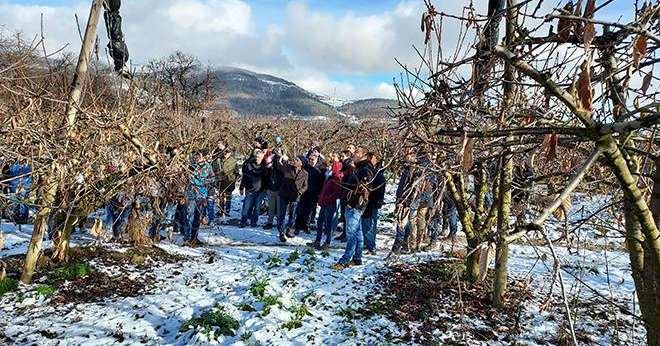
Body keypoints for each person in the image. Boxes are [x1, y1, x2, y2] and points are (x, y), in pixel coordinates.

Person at [334, 148, 373, 270]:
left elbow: (363, 191)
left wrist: (352, 204)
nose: (354, 154)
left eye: (356, 153)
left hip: (355, 206)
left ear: (363, 156)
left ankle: (345, 259)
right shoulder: (359, 168)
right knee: (358, 232)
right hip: (353, 205)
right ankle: (357, 257)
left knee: (351, 234)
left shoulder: (365, 170)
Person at [309, 156, 343, 249]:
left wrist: (327, 199)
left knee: (328, 223)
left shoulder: (336, 177)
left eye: (332, 163)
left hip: (330, 203)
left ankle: (327, 242)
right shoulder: (328, 176)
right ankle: (317, 240)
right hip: (324, 202)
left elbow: (336, 193)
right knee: (320, 222)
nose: (329, 165)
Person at [275, 155, 308, 242]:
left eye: (297, 160)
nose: (295, 161)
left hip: (295, 196)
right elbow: (279, 165)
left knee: (292, 214)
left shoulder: (305, 173)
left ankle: (289, 230)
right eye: (295, 159)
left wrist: (300, 192)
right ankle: (281, 232)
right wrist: (281, 157)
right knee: (281, 214)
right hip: (284, 194)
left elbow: (306, 186)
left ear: (301, 163)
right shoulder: (288, 168)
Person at [184, 150, 214, 244]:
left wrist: (205, 182)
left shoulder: (208, 167)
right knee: (190, 215)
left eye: (199, 156)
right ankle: (187, 237)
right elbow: (186, 178)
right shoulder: (191, 166)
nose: (197, 158)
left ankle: (194, 237)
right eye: (196, 156)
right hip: (191, 193)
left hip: (202, 194)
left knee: (198, 217)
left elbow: (213, 179)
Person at [362, 153, 385, 255]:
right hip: (368, 201)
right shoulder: (369, 171)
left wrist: (378, 200)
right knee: (366, 223)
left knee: (370, 224)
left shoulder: (377, 174)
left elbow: (380, 189)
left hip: (373, 201)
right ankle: (367, 244)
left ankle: (371, 246)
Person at [294, 153, 323, 234]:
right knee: (300, 210)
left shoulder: (318, 171)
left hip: (312, 194)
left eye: (312, 159)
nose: (310, 161)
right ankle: (297, 227)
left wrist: (318, 194)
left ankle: (306, 226)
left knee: (309, 211)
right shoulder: (304, 168)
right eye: (309, 159)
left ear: (316, 160)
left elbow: (320, 184)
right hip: (303, 193)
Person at [240, 149, 267, 228]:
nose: (258, 158)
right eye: (257, 157)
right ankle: (243, 221)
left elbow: (267, 178)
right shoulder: (249, 165)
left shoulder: (265, 166)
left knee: (257, 208)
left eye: (260, 157)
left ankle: (254, 222)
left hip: (261, 190)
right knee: (246, 207)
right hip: (250, 190)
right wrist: (242, 187)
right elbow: (244, 177)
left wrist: (265, 189)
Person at [212, 147, 239, 218]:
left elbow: (237, 172)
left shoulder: (233, 161)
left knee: (228, 197)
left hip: (229, 181)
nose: (225, 153)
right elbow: (214, 169)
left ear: (230, 153)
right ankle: (221, 211)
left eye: (227, 152)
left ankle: (227, 211)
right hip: (220, 181)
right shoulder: (218, 160)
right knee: (220, 197)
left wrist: (234, 179)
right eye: (224, 152)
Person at [264, 148, 284, 229]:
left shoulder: (283, 163)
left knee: (279, 208)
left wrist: (280, 160)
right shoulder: (270, 162)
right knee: (271, 207)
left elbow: (283, 171)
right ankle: (270, 222)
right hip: (271, 188)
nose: (277, 153)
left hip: (280, 189)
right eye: (276, 152)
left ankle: (279, 223)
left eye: (279, 152)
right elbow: (266, 173)